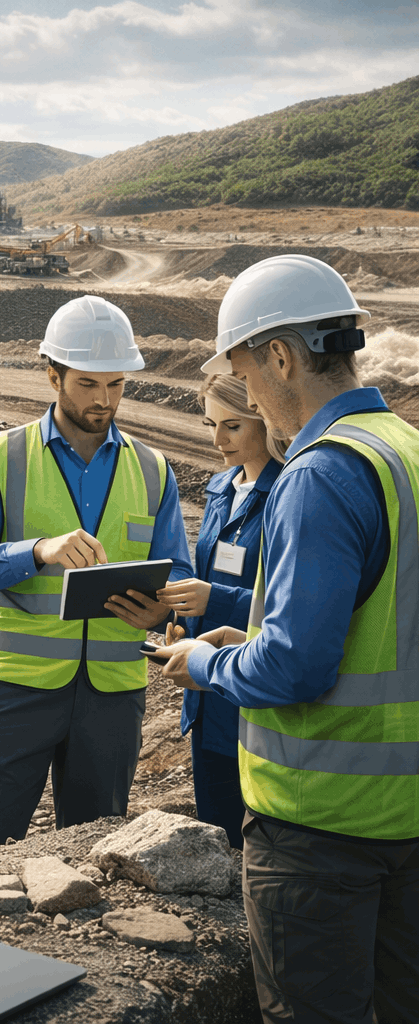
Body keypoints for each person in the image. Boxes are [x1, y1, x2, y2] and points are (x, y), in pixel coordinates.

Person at [156, 253, 419, 1021]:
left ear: (280, 355)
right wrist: (260, 635)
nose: (250, 395)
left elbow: (298, 667)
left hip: (320, 831)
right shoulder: (402, 449)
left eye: (245, 372)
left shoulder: (319, 472)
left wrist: (208, 659)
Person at [0, 294, 193, 851]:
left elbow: (182, 575)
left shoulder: (153, 470)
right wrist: (36, 550)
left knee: (91, 851)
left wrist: (167, 611)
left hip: (113, 697)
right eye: (87, 384)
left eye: (116, 384)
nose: (104, 401)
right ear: (51, 374)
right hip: (17, 690)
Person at [151, 374, 285, 849]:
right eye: (210, 423)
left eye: (232, 425)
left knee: (256, 842)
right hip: (207, 694)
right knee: (217, 826)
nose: (216, 440)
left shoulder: (290, 494)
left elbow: (294, 609)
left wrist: (218, 601)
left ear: (264, 418)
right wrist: (182, 623)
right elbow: (207, 575)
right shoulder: (219, 489)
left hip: (255, 697)